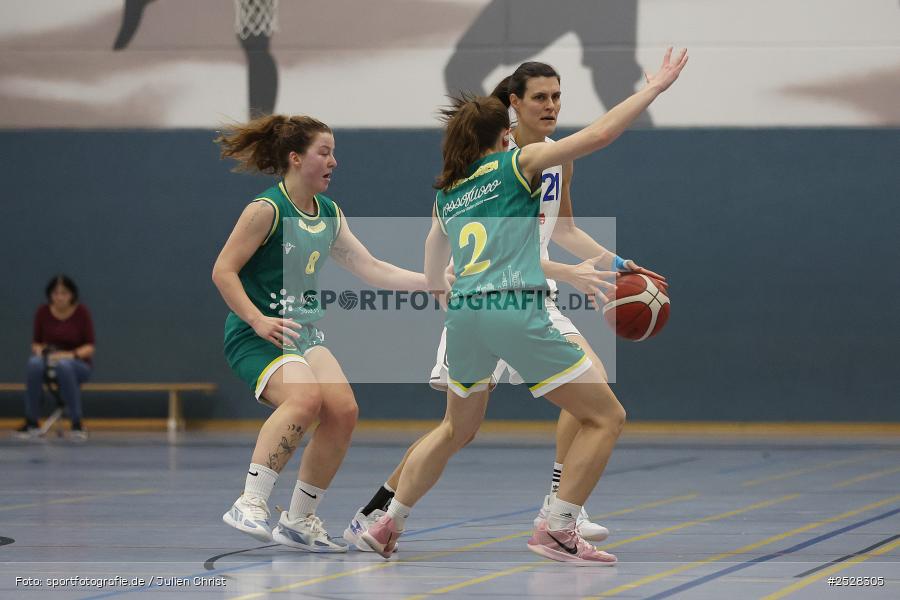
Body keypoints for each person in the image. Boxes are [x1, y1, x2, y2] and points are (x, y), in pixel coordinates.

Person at [361, 47, 688, 565]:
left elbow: (435, 258)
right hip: (515, 306)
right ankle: (557, 526)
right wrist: (652, 90)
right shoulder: (520, 162)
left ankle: (386, 523)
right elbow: (601, 134)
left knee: (455, 427)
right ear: (509, 113)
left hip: (467, 312)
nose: (553, 105)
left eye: (558, 96)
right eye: (542, 96)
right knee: (607, 415)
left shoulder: (452, 187)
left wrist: (612, 260)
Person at [212, 114, 426, 552]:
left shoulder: (328, 212)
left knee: (343, 410)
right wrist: (257, 319)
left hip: (303, 332)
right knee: (304, 398)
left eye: (333, 153)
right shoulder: (266, 209)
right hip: (260, 333)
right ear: (295, 158)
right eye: (324, 153)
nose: (334, 162)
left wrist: (435, 281)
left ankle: (299, 519)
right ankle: (250, 501)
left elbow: (373, 268)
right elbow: (223, 271)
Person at [15, 275, 95, 441]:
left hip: (77, 363)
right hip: (48, 360)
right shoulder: (42, 312)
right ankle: (31, 421)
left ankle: (76, 422)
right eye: (56, 293)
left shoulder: (82, 312)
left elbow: (89, 347)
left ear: (72, 294)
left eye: (64, 293)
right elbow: (36, 343)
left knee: (64, 366)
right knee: (33, 364)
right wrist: (42, 351)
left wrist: (68, 355)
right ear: (50, 295)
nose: (59, 297)